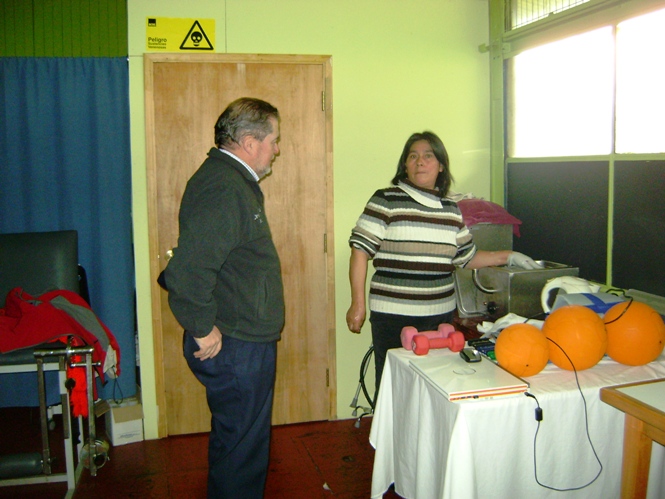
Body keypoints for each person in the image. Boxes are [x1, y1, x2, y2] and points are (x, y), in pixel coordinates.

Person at [346, 131, 540, 393]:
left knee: (433, 386)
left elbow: (467, 257)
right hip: (393, 315)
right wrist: (357, 304)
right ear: (405, 165)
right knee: (393, 386)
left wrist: (508, 256)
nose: (420, 162)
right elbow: (360, 250)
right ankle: (388, 435)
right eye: (413, 156)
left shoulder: (450, 209)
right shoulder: (386, 199)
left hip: (439, 316)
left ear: (440, 166)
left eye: (428, 156)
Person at [163, 97, 284, 498]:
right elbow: (187, 270)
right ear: (250, 142)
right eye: (273, 140)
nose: (276, 149)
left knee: (236, 439)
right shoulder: (224, 186)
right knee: (242, 450)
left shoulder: (230, 181)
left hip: (241, 338)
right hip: (235, 343)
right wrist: (200, 327)